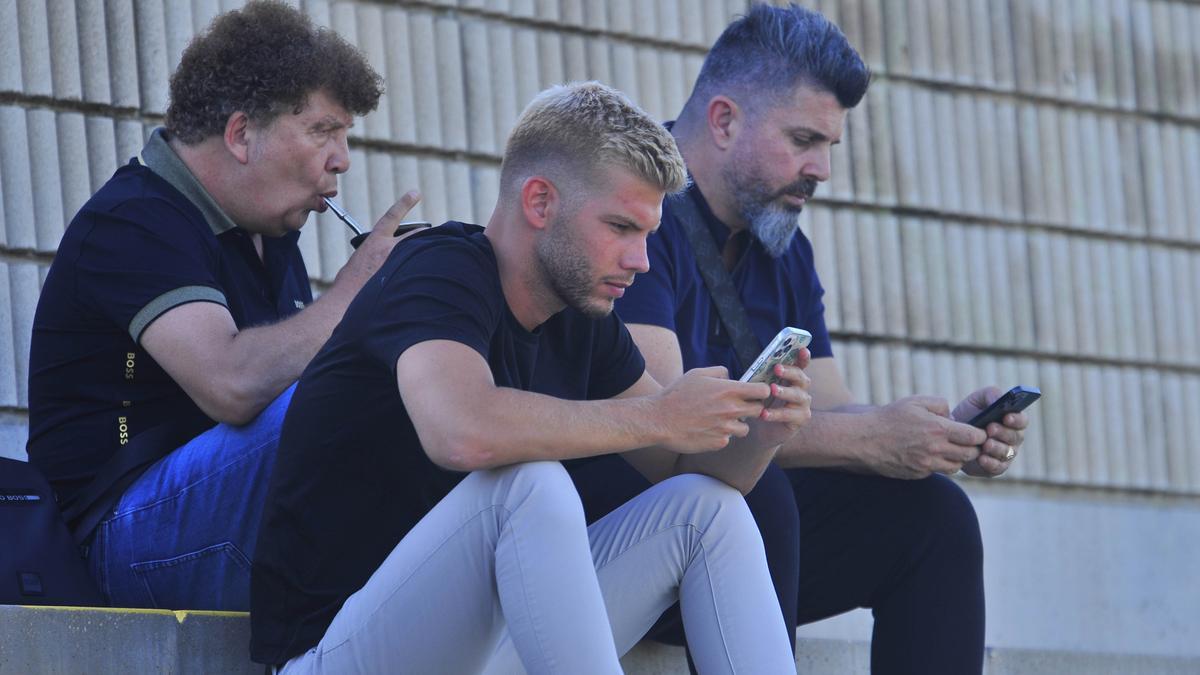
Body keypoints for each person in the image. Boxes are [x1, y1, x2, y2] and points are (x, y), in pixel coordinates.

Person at [250, 82, 810, 674]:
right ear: (539, 202)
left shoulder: (581, 317)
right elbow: (461, 431)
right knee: (527, 485)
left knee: (706, 509)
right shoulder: (437, 269)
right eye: (621, 227)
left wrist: (765, 429)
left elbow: (684, 469)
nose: (641, 261)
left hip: (484, 650)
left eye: (648, 234)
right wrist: (660, 413)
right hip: (336, 653)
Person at [572, 4, 1032, 674]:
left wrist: (939, 435)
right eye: (803, 140)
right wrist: (872, 436)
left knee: (936, 516)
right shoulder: (638, 214)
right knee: (756, 489)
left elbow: (828, 409)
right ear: (725, 120)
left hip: (745, 545)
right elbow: (665, 430)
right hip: (622, 538)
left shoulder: (784, 243)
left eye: (828, 147)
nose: (820, 169)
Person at [25, 0, 419, 611]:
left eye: (344, 136)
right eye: (321, 131)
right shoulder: (135, 219)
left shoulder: (271, 232)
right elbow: (232, 384)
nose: (341, 158)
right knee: (353, 394)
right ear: (240, 134)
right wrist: (353, 293)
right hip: (109, 543)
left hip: (212, 519)